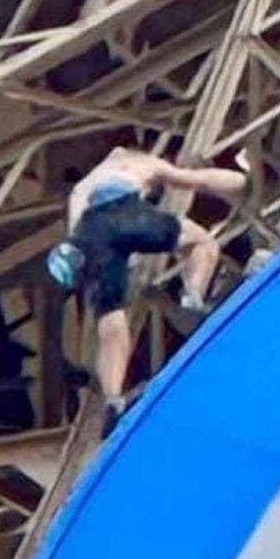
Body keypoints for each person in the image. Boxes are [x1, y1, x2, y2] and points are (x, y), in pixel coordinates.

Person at [46, 147, 246, 423]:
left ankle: (113, 398)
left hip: (91, 232)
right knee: (202, 242)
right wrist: (247, 181)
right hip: (127, 211)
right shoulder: (141, 164)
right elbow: (200, 180)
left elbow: (75, 230)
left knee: (111, 319)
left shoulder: (84, 185)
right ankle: (192, 297)